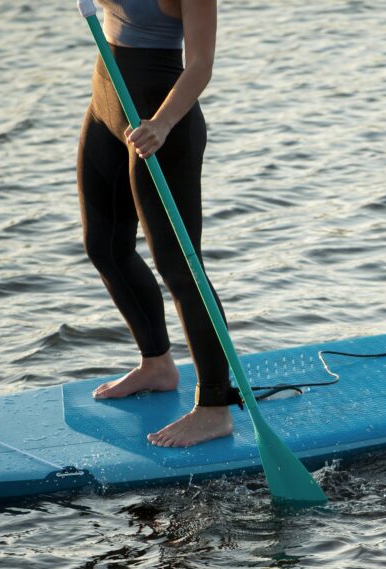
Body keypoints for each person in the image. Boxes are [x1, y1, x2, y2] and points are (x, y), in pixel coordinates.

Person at [77, 0, 235, 447]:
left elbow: (201, 64)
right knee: (105, 247)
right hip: (106, 100)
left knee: (180, 266)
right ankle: (157, 365)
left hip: (162, 118)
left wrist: (162, 124)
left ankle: (215, 408)